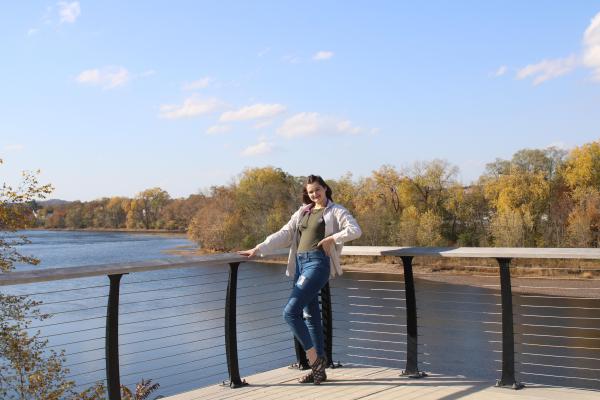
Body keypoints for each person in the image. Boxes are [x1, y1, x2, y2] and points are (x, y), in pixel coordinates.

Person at [238, 174, 362, 385]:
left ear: (325, 188)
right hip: (300, 264)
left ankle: (314, 360)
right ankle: (319, 372)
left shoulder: (335, 210)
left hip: (317, 263)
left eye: (318, 190)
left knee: (290, 312)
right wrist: (258, 248)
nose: (315, 194)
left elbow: (355, 230)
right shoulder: (302, 211)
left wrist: (332, 238)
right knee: (310, 315)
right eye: (311, 191)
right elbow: (284, 233)